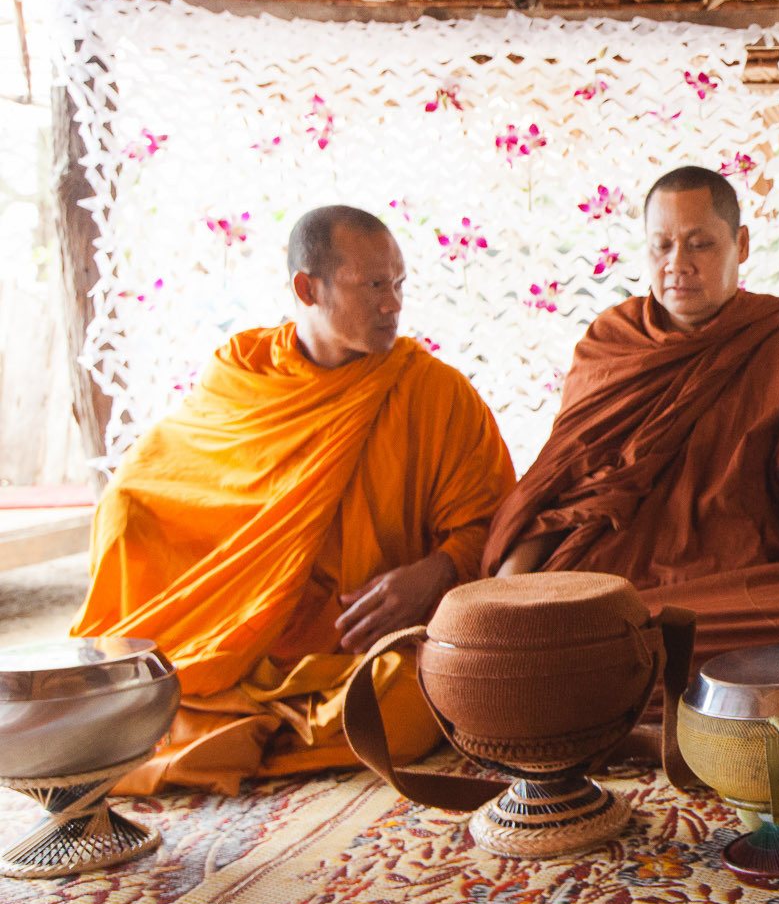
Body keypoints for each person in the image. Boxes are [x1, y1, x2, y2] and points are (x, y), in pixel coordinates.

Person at [74, 205, 515, 794]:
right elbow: (158, 483)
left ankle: (241, 726)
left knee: (405, 709)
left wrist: (435, 572)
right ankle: (242, 714)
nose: (393, 304)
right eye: (374, 286)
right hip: (242, 644)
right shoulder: (244, 378)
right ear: (308, 290)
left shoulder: (434, 392)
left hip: (368, 647)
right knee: (144, 676)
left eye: (399, 284)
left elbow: (495, 522)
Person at [484, 166, 779, 679]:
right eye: (662, 245)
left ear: (740, 244)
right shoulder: (613, 342)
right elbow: (567, 486)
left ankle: (609, 665)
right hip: (617, 574)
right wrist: (508, 589)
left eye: (700, 244)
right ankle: (607, 653)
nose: (678, 264)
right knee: (535, 632)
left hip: (744, 576)